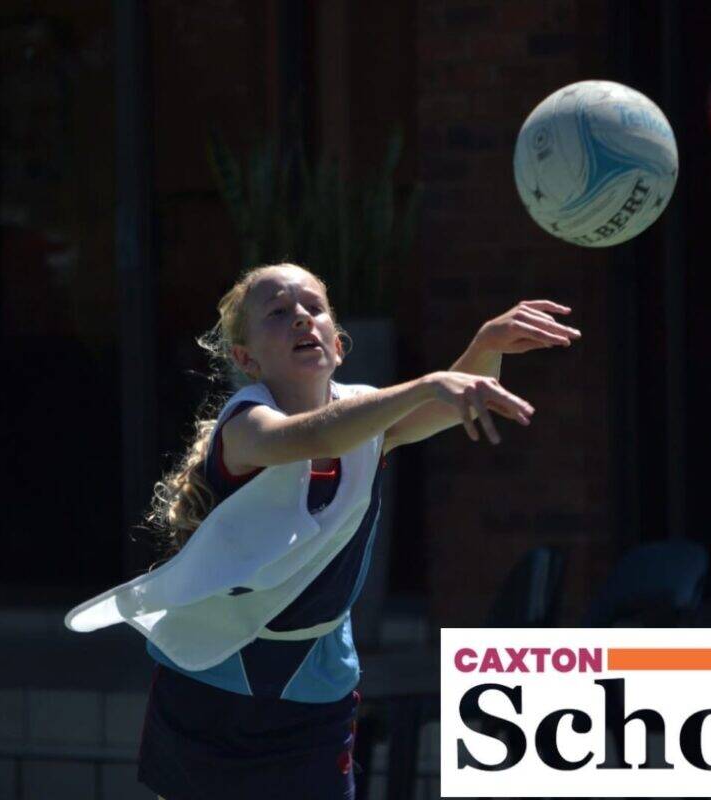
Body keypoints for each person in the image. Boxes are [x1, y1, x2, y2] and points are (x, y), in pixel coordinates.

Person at [66, 262, 580, 799]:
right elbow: (317, 438)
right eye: (278, 312)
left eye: (314, 307)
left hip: (317, 689)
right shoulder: (246, 425)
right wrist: (428, 384)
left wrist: (486, 344)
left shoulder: (363, 415)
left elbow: (450, 405)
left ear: (337, 341)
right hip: (211, 684)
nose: (300, 319)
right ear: (246, 359)